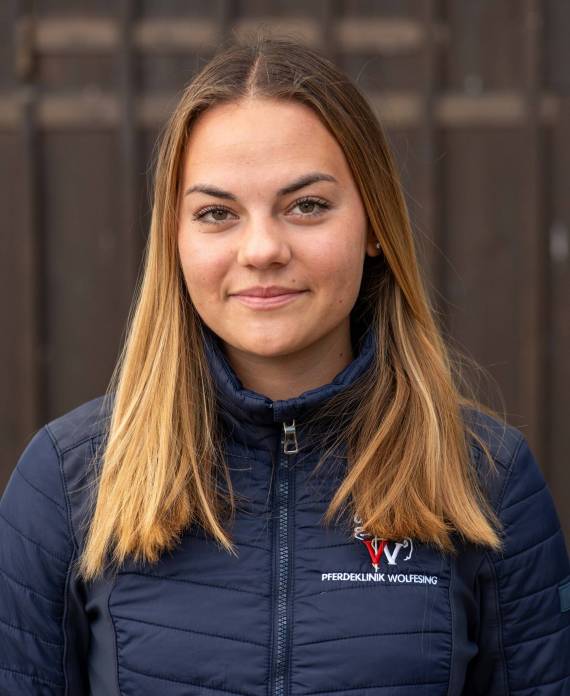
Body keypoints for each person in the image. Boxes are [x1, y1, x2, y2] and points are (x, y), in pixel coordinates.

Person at [1, 33, 569, 696]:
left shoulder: (487, 481)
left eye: (307, 206)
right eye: (217, 213)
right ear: (175, 239)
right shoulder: (68, 482)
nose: (262, 249)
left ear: (375, 223)